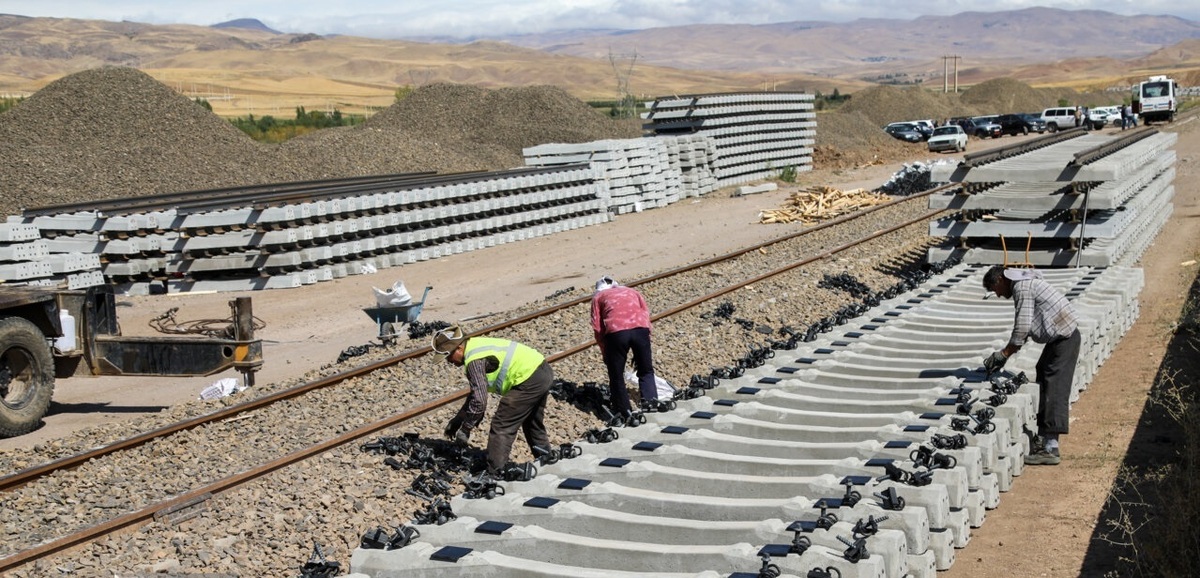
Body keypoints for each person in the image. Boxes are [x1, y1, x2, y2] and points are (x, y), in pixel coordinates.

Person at [981, 266, 1082, 466]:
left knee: (1055, 384)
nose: (999, 295)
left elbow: (1023, 325)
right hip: (1061, 337)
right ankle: (1045, 438)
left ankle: (1051, 448)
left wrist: (1004, 354)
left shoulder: (1021, 287)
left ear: (1000, 279)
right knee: (1043, 371)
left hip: (1065, 338)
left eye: (995, 290)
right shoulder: (1024, 282)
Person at [435, 325, 553, 479]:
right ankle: (547, 459)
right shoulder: (475, 346)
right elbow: (476, 394)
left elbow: (479, 401)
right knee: (532, 422)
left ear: (458, 349)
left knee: (501, 425)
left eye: (448, 357)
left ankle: (495, 474)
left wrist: (466, 429)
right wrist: (458, 420)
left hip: (528, 379)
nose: (449, 362)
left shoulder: (474, 361)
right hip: (541, 371)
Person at [591, 276, 660, 421]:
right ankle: (651, 404)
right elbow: (645, 314)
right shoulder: (632, 291)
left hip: (617, 333)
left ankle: (624, 412)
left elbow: (598, 327)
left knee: (616, 376)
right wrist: (646, 338)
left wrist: (605, 351)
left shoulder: (598, 297)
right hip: (641, 329)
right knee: (646, 369)